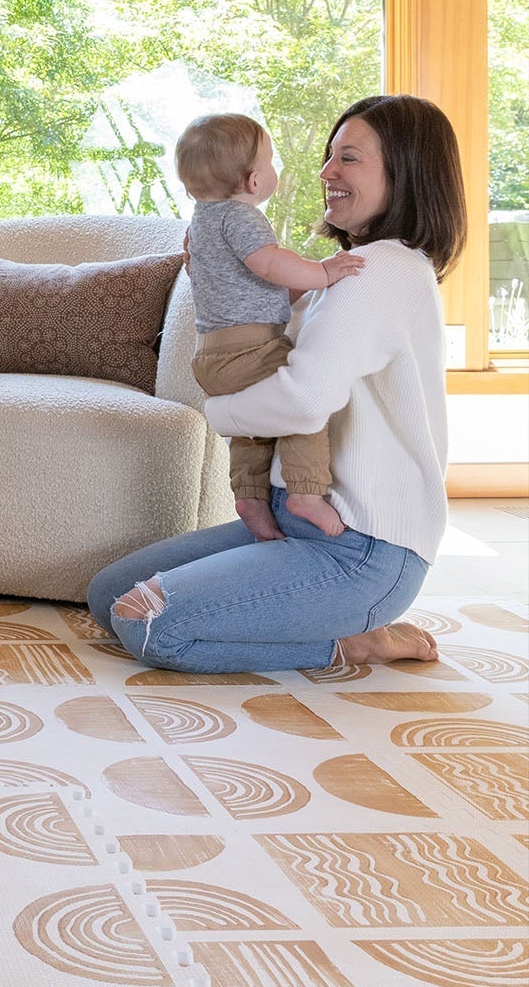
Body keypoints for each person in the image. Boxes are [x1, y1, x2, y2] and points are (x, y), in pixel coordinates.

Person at [87, 94, 465, 673]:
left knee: (149, 624)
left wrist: (218, 416)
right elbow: (250, 349)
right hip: (296, 522)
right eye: (329, 156)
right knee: (110, 592)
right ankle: (322, 622)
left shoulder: (381, 270)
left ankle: (349, 642)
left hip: (359, 549)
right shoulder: (343, 275)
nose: (327, 172)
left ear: (406, 172)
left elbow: (300, 400)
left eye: (350, 158)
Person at [176, 113, 364, 541]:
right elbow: (269, 264)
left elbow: (249, 287)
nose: (276, 169)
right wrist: (324, 271)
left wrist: (297, 291)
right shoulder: (241, 218)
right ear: (254, 180)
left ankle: (249, 498)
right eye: (272, 161)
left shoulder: (200, 222)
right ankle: (306, 492)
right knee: (302, 407)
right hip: (250, 350)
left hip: (212, 354)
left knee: (252, 428)